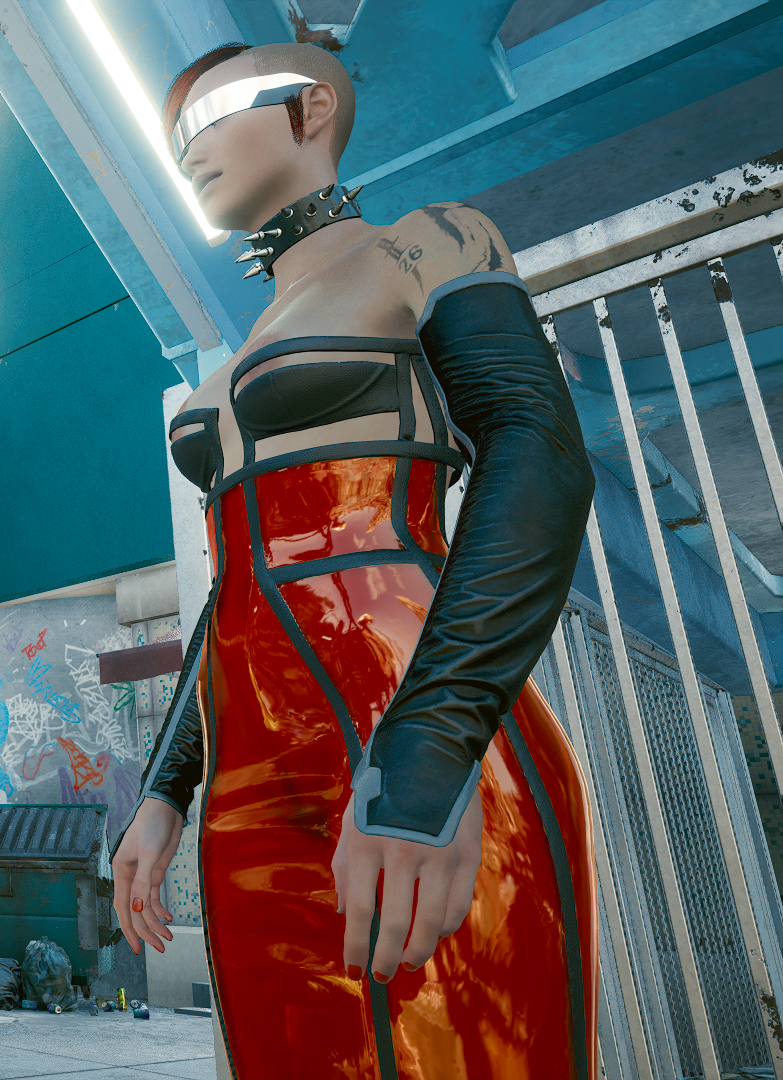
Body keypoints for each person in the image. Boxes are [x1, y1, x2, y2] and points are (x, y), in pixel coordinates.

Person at [111, 42, 598, 1078]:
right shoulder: (243, 347)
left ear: (313, 107)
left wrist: (427, 753)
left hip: (417, 736)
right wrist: (164, 790)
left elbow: (537, 451)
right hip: (248, 785)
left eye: (211, 115)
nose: (187, 150)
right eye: (172, 136)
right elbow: (235, 586)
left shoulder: (432, 243)